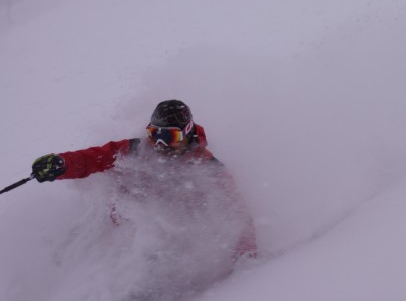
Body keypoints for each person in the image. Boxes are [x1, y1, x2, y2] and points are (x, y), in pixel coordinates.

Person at [31, 99, 257, 260]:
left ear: (186, 132)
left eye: (168, 136)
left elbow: (235, 212)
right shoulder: (137, 150)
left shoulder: (207, 169)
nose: (159, 143)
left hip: (170, 242)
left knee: (156, 254)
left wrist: (246, 254)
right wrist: (62, 164)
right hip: (119, 233)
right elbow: (93, 158)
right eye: (154, 134)